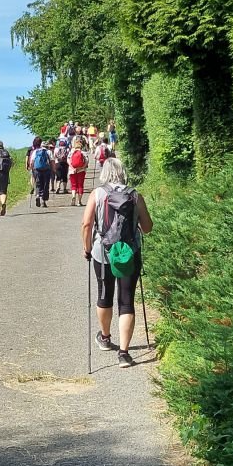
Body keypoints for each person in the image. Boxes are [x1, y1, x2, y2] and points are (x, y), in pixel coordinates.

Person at [82, 156, 153, 367]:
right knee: (126, 300)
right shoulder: (135, 195)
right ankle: (124, 353)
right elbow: (148, 228)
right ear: (123, 173)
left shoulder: (97, 194)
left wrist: (87, 249)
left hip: (103, 252)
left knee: (104, 295)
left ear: (105, 173)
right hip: (129, 253)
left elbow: (86, 224)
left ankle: (105, 338)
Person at [29, 137, 54, 207]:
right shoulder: (48, 151)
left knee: (38, 184)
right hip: (46, 170)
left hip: (37, 170)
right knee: (46, 185)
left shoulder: (35, 151)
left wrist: (32, 169)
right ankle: (43, 201)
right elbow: (52, 161)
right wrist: (53, 169)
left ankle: (38, 195)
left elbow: (31, 162)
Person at [68, 136, 89, 207]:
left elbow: (68, 161)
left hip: (72, 171)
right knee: (80, 185)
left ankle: (73, 196)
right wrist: (81, 168)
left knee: (73, 185)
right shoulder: (83, 152)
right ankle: (79, 201)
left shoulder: (71, 152)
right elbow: (86, 162)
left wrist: (72, 168)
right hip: (81, 171)